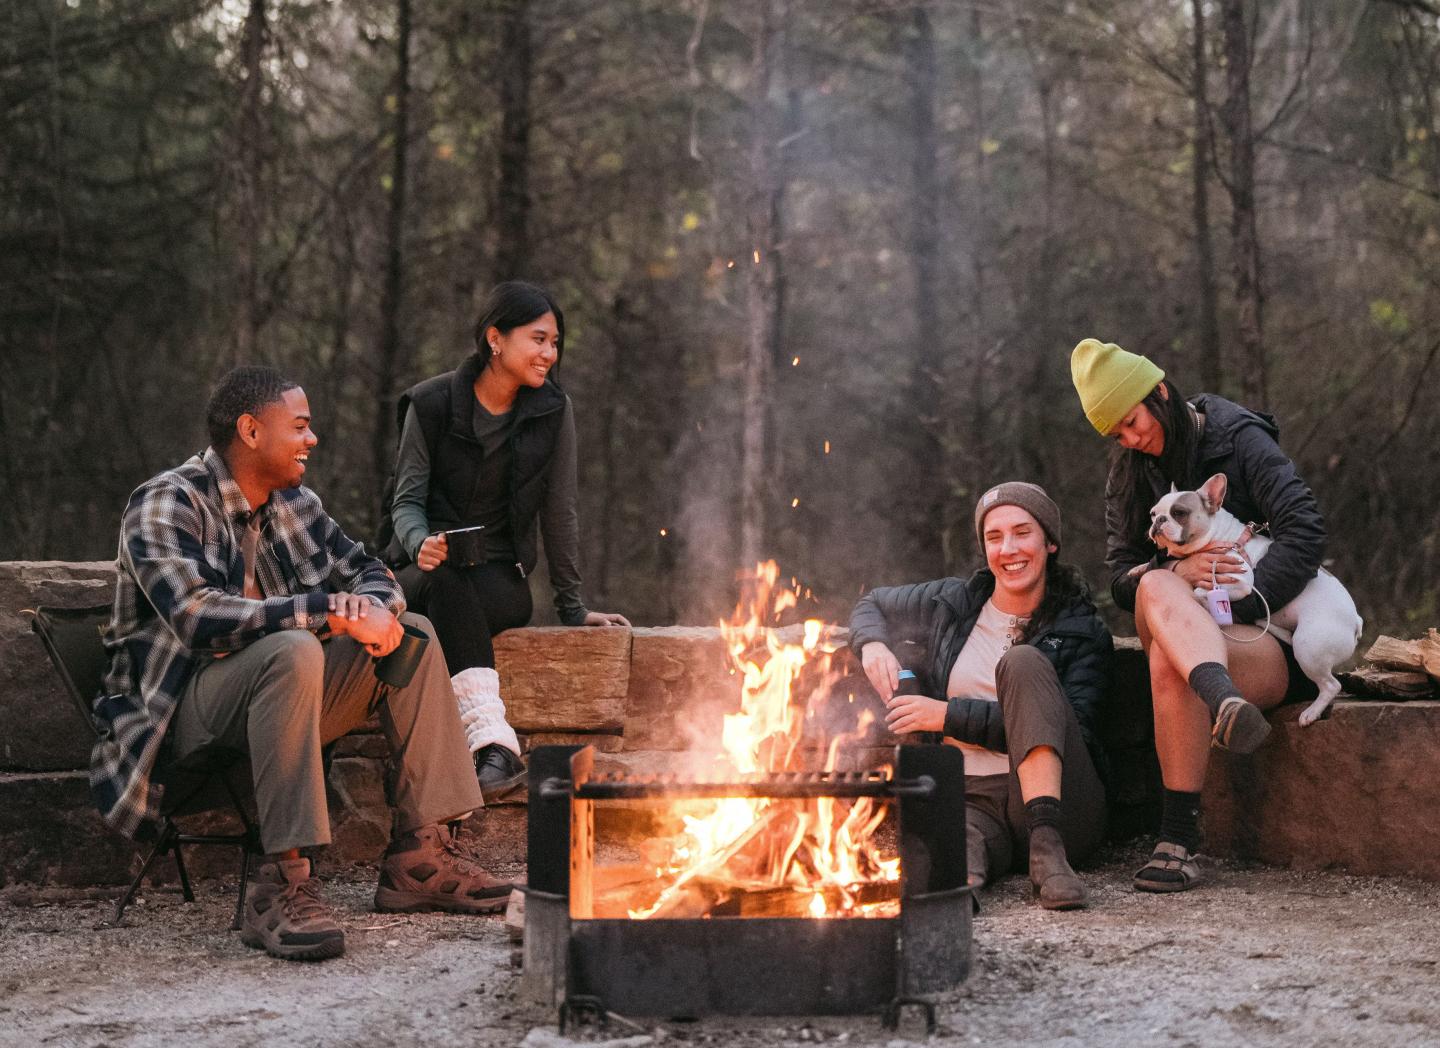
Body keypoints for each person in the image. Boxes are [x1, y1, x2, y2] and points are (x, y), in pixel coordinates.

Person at [92, 366, 513, 962]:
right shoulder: (166, 502)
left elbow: (369, 571)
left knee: (412, 633)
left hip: (286, 701)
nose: (312, 439)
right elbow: (195, 616)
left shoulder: (295, 503)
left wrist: (373, 610)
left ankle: (420, 857)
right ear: (251, 430)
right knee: (293, 648)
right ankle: (283, 883)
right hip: (181, 717)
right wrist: (327, 611)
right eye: (299, 426)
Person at [1070, 337, 1325, 893]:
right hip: (1180, 618)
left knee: (1171, 660)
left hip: (1261, 637)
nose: (1131, 440)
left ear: (1160, 393)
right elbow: (1121, 579)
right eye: (1116, 435)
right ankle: (1221, 697)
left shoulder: (1239, 438)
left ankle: (1177, 839)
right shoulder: (1128, 474)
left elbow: (1305, 531)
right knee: (1156, 582)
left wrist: (1246, 601)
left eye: (1132, 422)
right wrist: (1179, 572)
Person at [386, 281, 629, 798]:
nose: (550, 354)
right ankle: (493, 745)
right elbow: (405, 500)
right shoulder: (429, 403)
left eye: (555, 342)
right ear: (495, 339)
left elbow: (559, 512)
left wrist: (573, 608)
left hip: (499, 577)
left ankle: (489, 747)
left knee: (457, 597)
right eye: (538, 339)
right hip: (423, 571)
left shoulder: (552, 411)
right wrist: (419, 541)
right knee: (444, 582)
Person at [850, 483, 1112, 910]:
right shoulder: (951, 602)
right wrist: (872, 645)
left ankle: (1048, 857)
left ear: (1050, 542)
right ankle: (957, 893)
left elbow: (1070, 732)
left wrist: (947, 716)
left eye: (1022, 533)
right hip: (972, 797)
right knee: (950, 859)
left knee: (1022, 662)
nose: (1008, 549)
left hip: (1062, 806)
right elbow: (872, 603)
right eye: (994, 537)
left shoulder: (1082, 630)